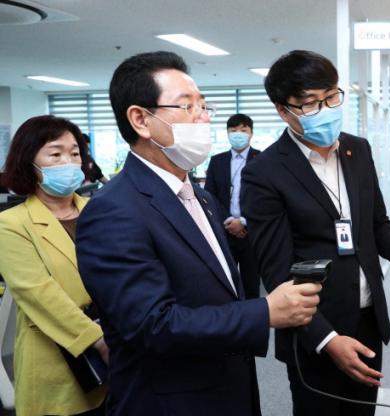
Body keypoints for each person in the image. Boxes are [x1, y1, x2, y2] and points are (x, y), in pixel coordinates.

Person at [75, 51, 321, 416]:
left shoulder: (201, 198)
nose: (203, 118)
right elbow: (152, 325)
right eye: (188, 106)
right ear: (141, 120)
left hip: (226, 388)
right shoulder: (113, 210)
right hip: (172, 402)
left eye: (204, 106)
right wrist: (264, 312)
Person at [241, 50, 390, 416]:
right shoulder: (264, 173)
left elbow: (377, 225)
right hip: (314, 330)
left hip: (367, 318)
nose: (326, 110)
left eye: (331, 97)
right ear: (283, 110)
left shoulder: (357, 149)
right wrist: (327, 339)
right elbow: (277, 274)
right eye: (311, 104)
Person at [0, 115, 108, 416]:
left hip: (121, 354)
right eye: (55, 154)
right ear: (28, 161)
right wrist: (98, 341)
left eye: (74, 153)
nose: (68, 162)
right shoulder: (11, 224)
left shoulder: (100, 211)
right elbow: (39, 293)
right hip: (58, 360)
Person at [205, 114, 261, 299]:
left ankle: (254, 315)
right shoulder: (217, 161)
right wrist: (229, 220)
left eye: (243, 130)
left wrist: (243, 221)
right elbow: (209, 196)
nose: (238, 134)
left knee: (251, 283)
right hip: (224, 231)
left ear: (251, 133)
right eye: (234, 130)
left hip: (251, 233)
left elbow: (264, 198)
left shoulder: (262, 159)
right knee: (225, 282)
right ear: (227, 133)